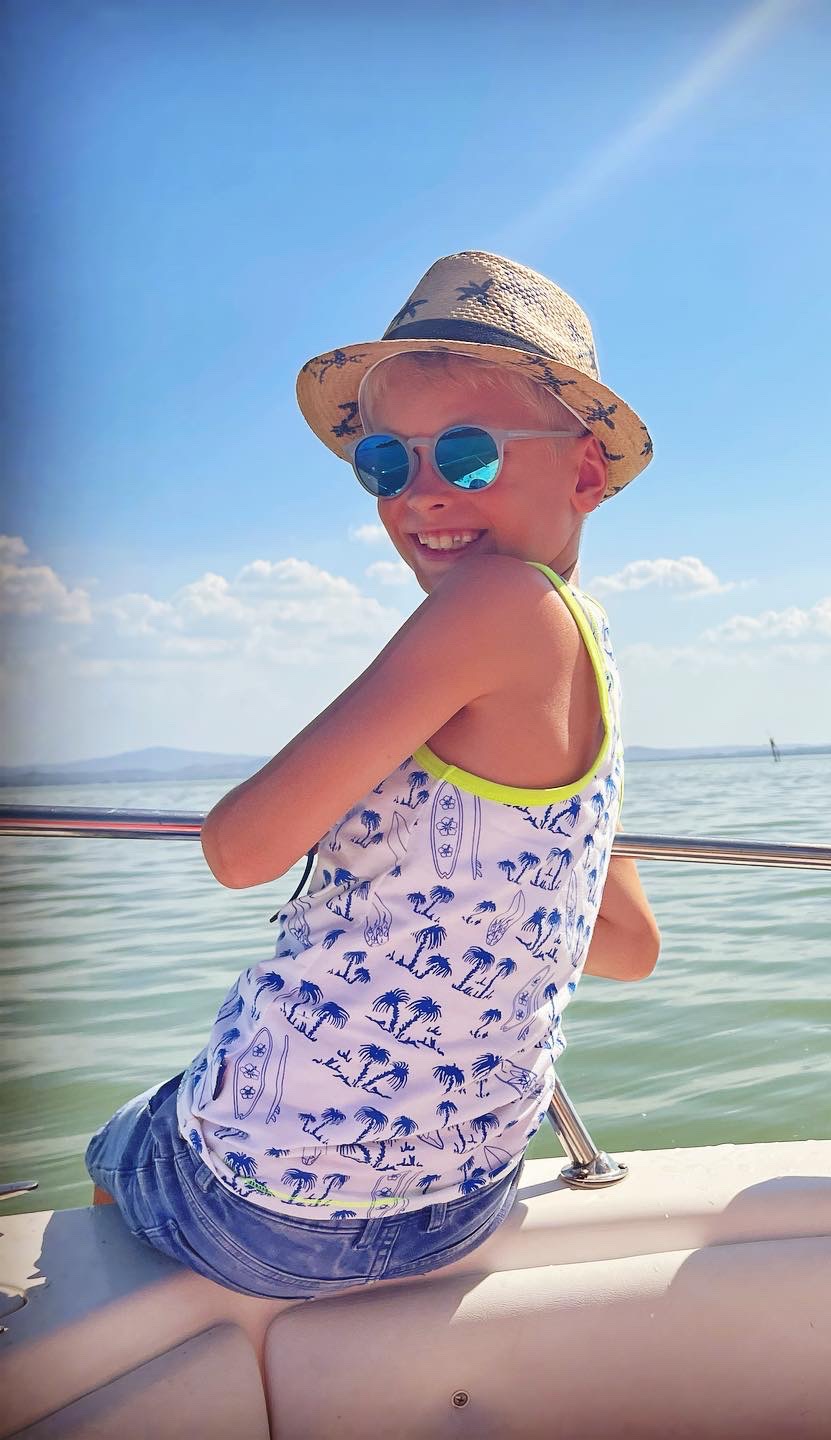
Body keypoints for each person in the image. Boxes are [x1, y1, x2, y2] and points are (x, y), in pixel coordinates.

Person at [86, 252, 662, 1296]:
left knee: (117, 1146)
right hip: (465, 1192)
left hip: (275, 1205)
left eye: (470, 456)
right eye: (387, 465)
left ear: (584, 472)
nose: (423, 494)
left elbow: (238, 850)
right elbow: (628, 945)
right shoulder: (592, 652)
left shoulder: (486, 605)